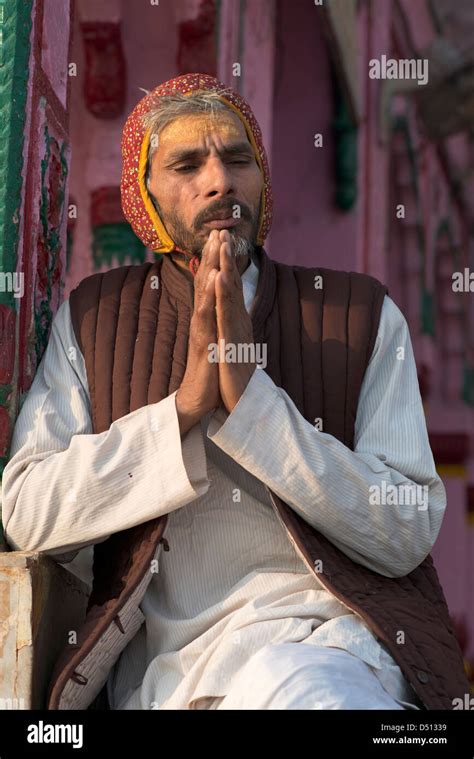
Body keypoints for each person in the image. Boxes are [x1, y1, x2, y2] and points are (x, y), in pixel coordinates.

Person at [1, 74, 468, 711]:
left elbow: (405, 528)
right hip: (168, 680)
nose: (220, 181)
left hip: (324, 654)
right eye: (187, 165)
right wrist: (184, 410)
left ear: (262, 179)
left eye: (237, 158)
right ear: (145, 197)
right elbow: (28, 511)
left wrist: (254, 407)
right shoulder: (93, 319)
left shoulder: (359, 314)